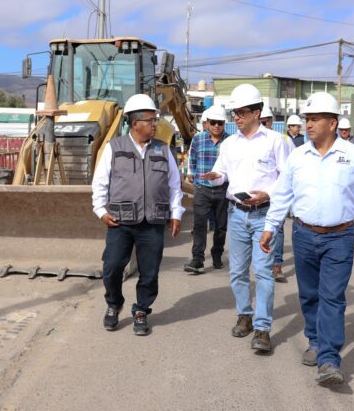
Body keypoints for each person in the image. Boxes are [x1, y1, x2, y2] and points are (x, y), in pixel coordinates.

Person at [259, 92, 354, 386]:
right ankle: (314, 339)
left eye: (314, 119)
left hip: (340, 236)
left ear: (332, 123)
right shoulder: (298, 156)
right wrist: (270, 226)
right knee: (309, 295)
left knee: (332, 297)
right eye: (307, 119)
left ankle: (329, 359)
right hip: (303, 234)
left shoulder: (353, 154)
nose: (308, 125)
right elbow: (282, 194)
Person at [200, 84, 288, 353]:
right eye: (234, 113)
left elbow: (287, 178)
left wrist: (267, 193)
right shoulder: (230, 143)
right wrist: (215, 177)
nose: (236, 118)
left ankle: (262, 328)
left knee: (262, 272)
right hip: (237, 214)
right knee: (237, 271)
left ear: (256, 113)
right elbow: (222, 172)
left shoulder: (275, 141)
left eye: (241, 112)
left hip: (264, 215)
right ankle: (245, 315)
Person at [91, 94, 184, 336]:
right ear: (135, 123)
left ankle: (142, 309)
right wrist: (100, 210)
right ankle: (114, 304)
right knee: (112, 266)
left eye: (155, 119)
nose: (155, 124)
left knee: (150, 271)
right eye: (151, 120)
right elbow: (100, 182)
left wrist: (176, 213)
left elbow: (174, 185)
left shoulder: (163, 149)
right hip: (120, 221)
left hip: (152, 222)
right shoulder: (114, 148)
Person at [185, 105, 230, 273]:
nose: (216, 126)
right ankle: (197, 259)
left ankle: (217, 254)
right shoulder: (198, 139)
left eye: (220, 123)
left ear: (224, 123)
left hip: (222, 189)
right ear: (208, 122)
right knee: (199, 224)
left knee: (221, 226)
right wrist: (191, 172)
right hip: (202, 188)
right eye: (213, 122)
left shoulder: (231, 141)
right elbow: (192, 157)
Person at [259, 106, 289, 283]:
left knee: (278, 230)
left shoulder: (282, 139)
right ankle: (264, 263)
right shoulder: (254, 142)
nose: (264, 124)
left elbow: (288, 169)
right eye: (261, 122)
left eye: (266, 121)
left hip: (277, 196)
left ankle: (277, 265)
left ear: (271, 121)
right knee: (262, 230)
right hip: (258, 198)